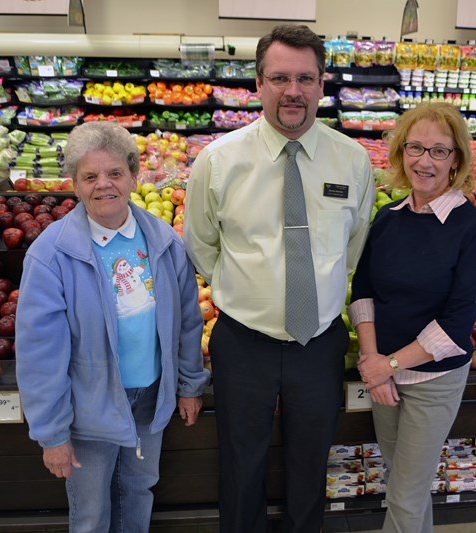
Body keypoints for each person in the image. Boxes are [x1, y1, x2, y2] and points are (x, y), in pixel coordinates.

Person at [184, 24, 375, 533]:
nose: (293, 90)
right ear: (258, 83)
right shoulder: (219, 161)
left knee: (311, 463)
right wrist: (250, 289)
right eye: (280, 77)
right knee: (241, 463)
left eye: (305, 78)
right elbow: (200, 244)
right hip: (243, 341)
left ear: (322, 83)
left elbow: (354, 245)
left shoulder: (352, 161)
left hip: (320, 340)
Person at [15, 121, 209, 532]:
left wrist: (190, 384)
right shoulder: (51, 256)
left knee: (138, 493)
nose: (104, 185)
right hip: (89, 411)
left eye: (115, 173)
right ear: (75, 183)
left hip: (150, 400)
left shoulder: (163, 241)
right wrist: (52, 433)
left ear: (134, 176)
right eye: (90, 176)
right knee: (90, 512)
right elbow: (39, 354)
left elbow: (189, 322)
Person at [349, 102, 476, 533]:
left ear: (456, 161)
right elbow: (364, 293)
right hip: (384, 375)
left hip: (433, 379)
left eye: (438, 151)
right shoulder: (387, 219)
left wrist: (388, 365)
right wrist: (375, 364)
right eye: (415, 147)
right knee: (403, 483)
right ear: (400, 152)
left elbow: (456, 324)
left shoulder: (472, 228)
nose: (424, 161)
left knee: (406, 493)